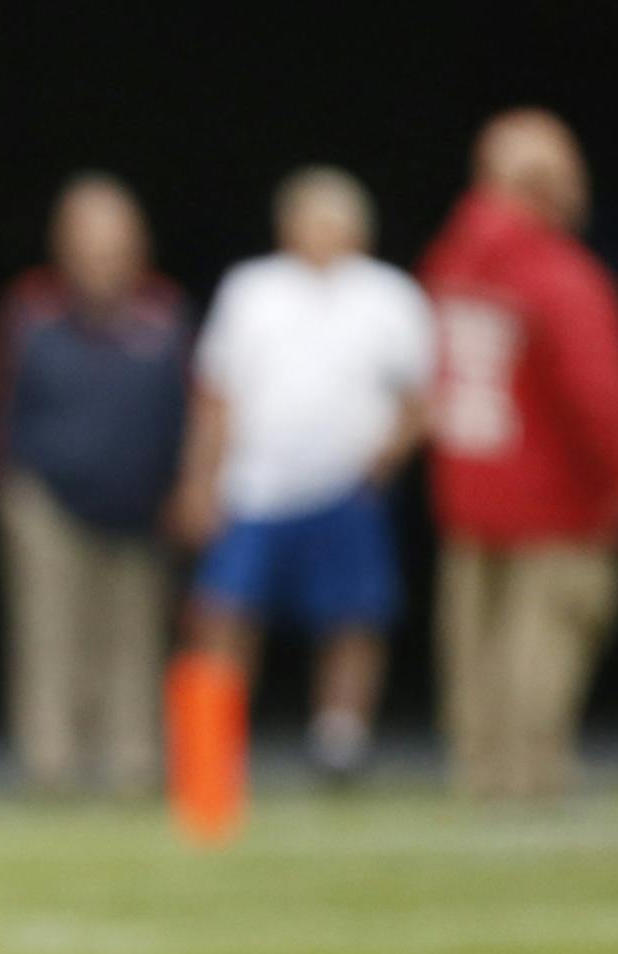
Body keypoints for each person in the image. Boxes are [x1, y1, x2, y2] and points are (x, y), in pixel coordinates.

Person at [419, 110, 618, 800]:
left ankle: (478, 770)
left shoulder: (452, 260)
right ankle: (529, 776)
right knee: (543, 642)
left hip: (470, 483)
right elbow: (599, 396)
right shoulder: (560, 275)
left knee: (474, 646)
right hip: (556, 493)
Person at [171, 167, 434, 780]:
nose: (321, 233)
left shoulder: (389, 296)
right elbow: (216, 395)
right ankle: (214, 748)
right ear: (286, 227)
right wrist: (199, 481)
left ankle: (340, 740)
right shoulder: (252, 290)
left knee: (352, 616)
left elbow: (418, 399)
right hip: (255, 486)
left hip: (345, 486)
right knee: (225, 611)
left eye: (334, 221)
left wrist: (382, 460)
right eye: (309, 219)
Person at [0, 174, 189, 795]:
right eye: (89, 244)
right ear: (63, 247)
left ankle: (132, 761)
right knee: (50, 635)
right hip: (44, 498)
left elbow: (195, 404)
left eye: (114, 245)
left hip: (142, 503)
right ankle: (53, 763)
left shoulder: (165, 313)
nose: (101, 259)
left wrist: (186, 483)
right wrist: (5, 479)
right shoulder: (29, 310)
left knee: (134, 635)